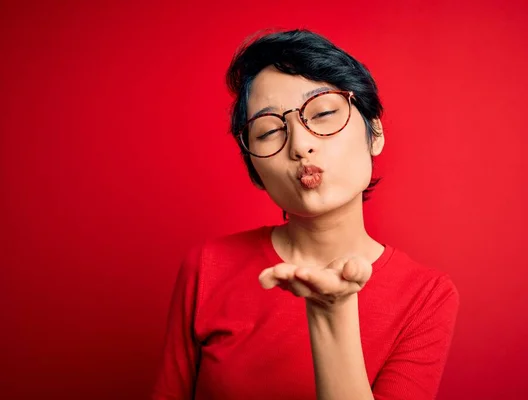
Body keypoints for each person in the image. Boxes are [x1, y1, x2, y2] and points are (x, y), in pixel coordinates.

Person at [152, 29, 459, 400]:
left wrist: (333, 312)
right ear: (255, 169)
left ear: (374, 131)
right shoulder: (207, 267)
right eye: (268, 132)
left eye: (324, 113)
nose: (300, 145)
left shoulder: (426, 296)